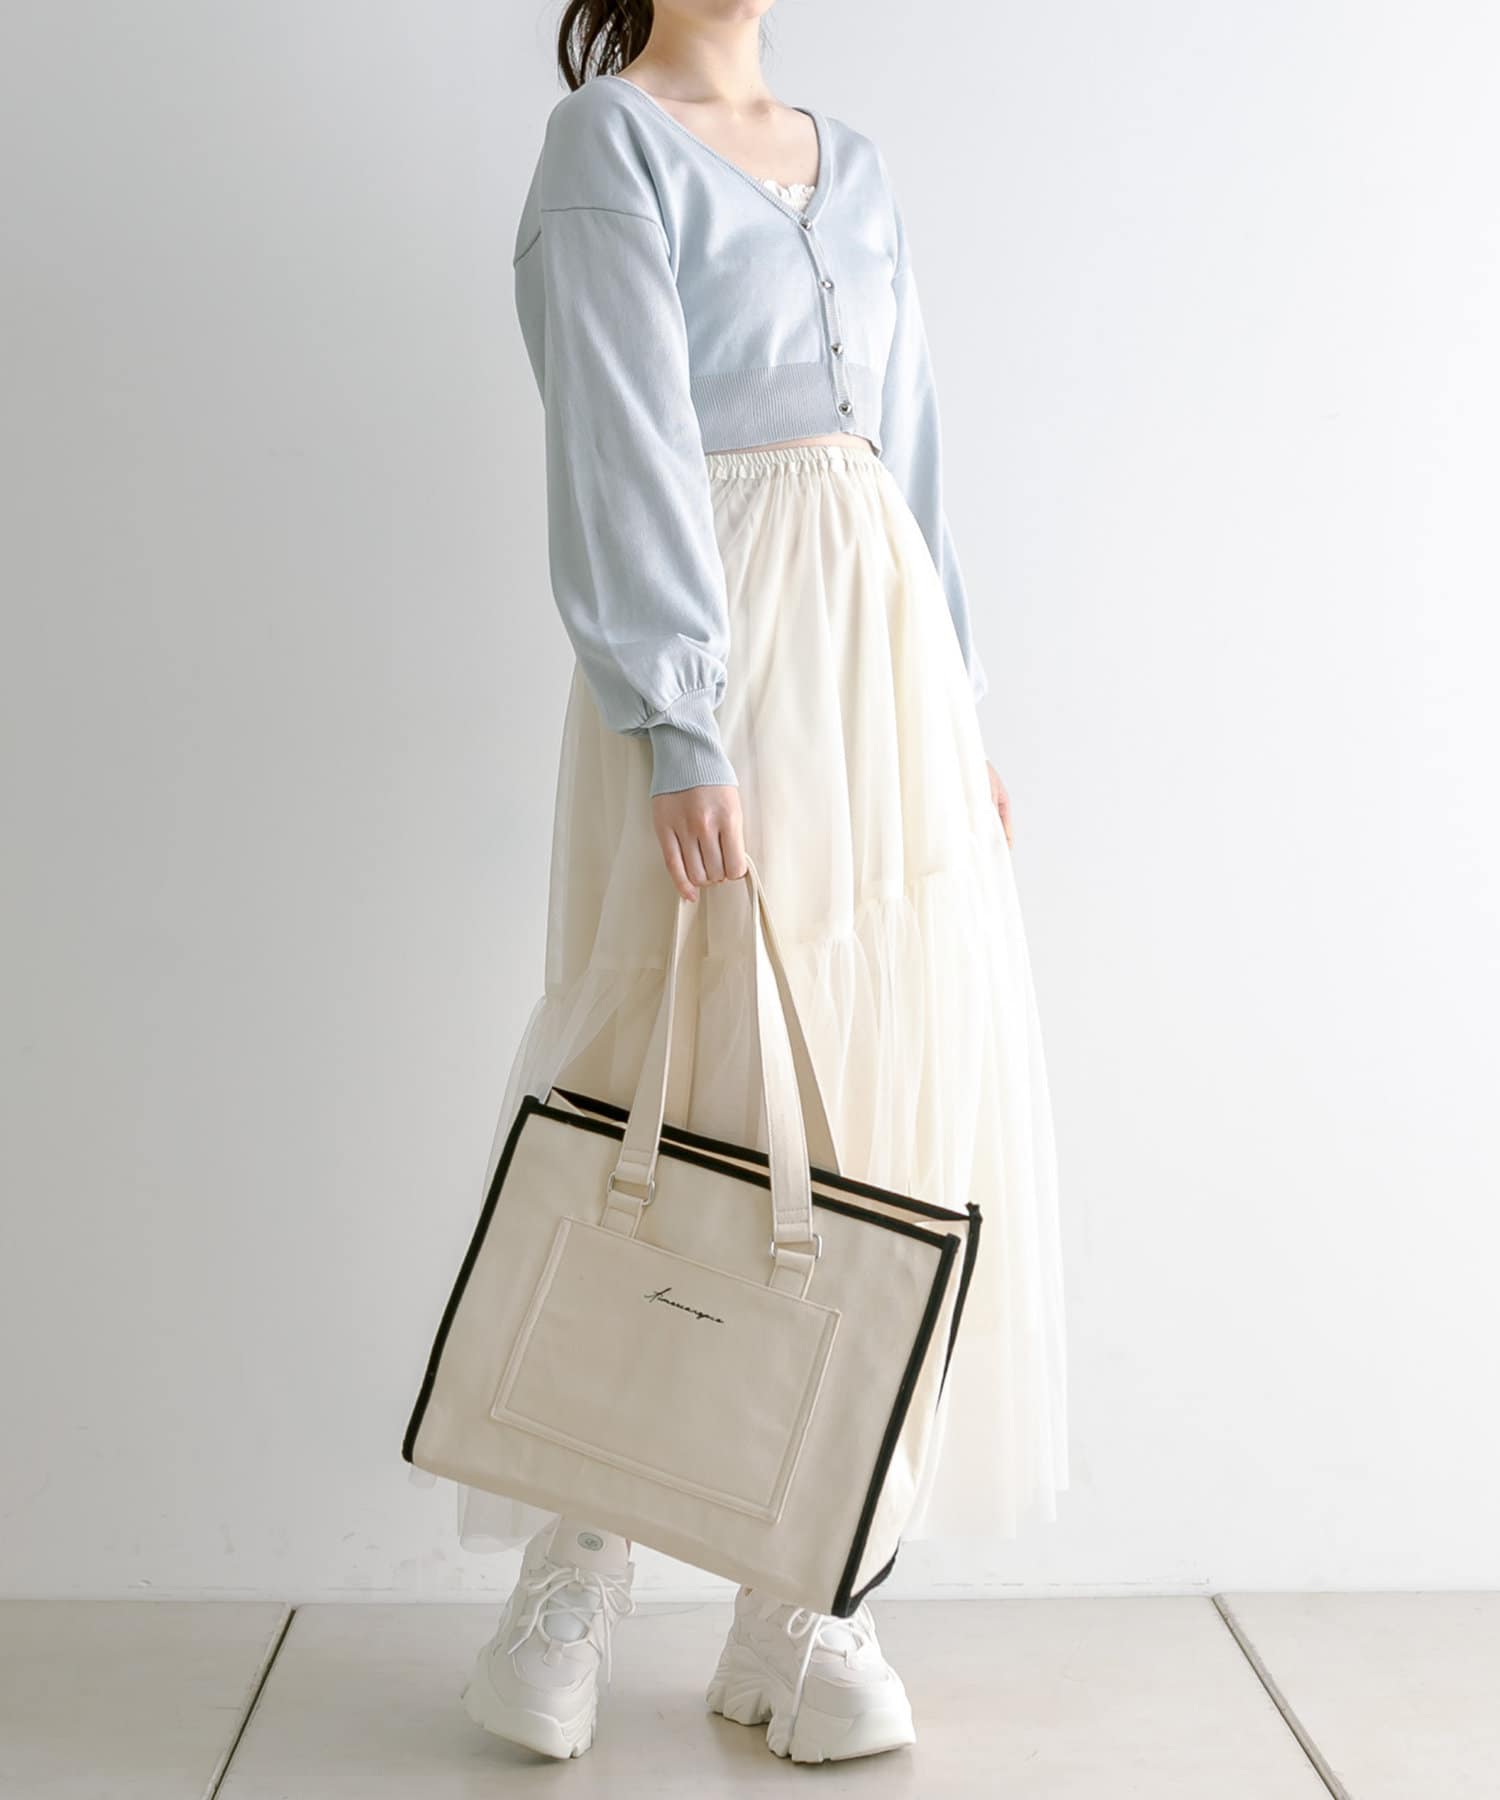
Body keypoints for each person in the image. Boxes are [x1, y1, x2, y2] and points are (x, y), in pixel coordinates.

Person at [448, 0, 1067, 1766]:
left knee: (869, 1095)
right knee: (672, 1084)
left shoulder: (850, 164)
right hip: (722, 654)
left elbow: (909, 450)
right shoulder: (609, 145)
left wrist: (959, 704)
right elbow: (616, 434)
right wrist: (679, 719)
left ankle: (800, 1591)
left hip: (881, 678)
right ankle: (576, 1566)